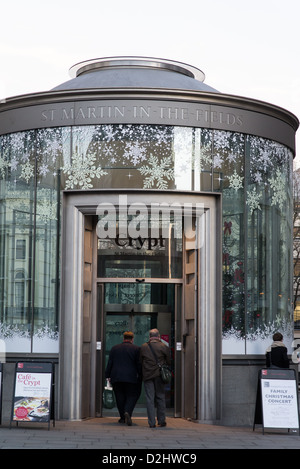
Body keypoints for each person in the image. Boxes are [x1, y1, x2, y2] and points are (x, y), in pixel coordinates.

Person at [105, 331, 141, 425]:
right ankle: (127, 411)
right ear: (132, 339)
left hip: (116, 377)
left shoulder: (114, 348)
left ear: (123, 338)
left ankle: (122, 417)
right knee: (132, 395)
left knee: (119, 396)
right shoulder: (136, 349)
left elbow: (110, 363)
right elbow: (139, 364)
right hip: (131, 377)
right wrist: (141, 375)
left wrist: (107, 375)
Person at [140, 328, 171, 428]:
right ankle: (161, 421)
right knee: (160, 397)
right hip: (159, 376)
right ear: (159, 336)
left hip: (148, 375)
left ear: (149, 336)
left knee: (150, 399)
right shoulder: (164, 346)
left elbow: (140, 361)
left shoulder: (144, 347)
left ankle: (151, 422)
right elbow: (169, 361)